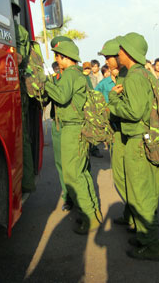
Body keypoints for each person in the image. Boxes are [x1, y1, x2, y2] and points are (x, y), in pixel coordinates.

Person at [109, 32, 159, 261]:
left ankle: (151, 246)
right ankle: (144, 238)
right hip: (145, 140)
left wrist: (112, 100)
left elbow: (133, 112)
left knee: (141, 196)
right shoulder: (144, 74)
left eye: (120, 50)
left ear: (128, 53)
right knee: (144, 194)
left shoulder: (134, 77)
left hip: (138, 141)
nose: (117, 54)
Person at [44, 40, 101, 234]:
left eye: (58, 56)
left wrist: (45, 83)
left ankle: (89, 218)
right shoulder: (77, 74)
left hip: (72, 129)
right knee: (82, 172)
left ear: (66, 58)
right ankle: (94, 212)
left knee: (73, 175)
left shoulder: (69, 74)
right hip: (78, 128)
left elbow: (61, 97)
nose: (57, 60)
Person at [98, 38, 134, 230]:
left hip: (128, 132)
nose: (106, 61)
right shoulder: (121, 75)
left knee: (126, 178)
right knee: (120, 177)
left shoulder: (129, 76)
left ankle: (137, 218)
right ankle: (130, 214)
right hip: (118, 131)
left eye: (108, 57)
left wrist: (112, 98)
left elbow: (130, 109)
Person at [49, 36, 75, 211]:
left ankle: (79, 198)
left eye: (60, 54)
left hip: (73, 125)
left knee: (75, 164)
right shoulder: (56, 77)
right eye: (57, 55)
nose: (58, 58)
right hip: (57, 124)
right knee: (61, 163)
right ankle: (68, 196)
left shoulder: (77, 75)